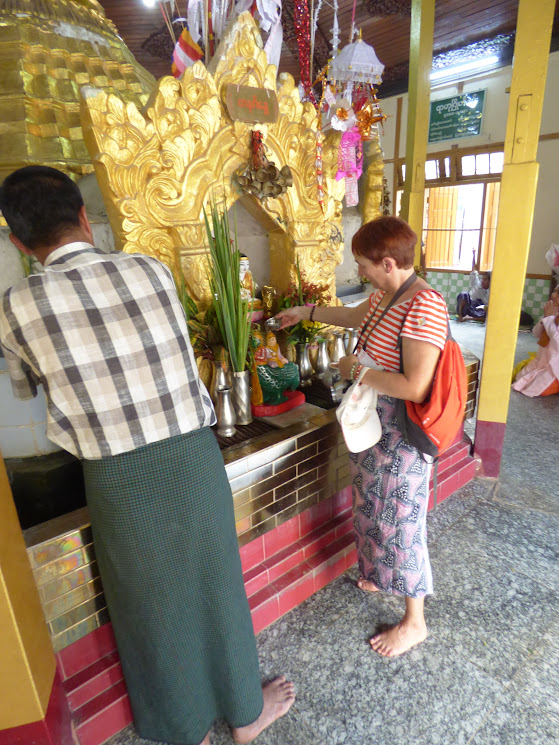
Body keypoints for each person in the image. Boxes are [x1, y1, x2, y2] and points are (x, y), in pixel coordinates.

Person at [0, 166, 294, 745]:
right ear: (85, 218)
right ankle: (243, 713)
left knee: (150, 606)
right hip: (190, 456)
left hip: (117, 476)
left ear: (16, 242)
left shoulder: (15, 306)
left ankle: (186, 729)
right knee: (218, 583)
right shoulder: (149, 269)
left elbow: (26, 389)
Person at [276, 216, 448, 658]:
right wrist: (306, 312)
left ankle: (415, 621)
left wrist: (360, 371)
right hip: (375, 425)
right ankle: (378, 571)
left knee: (404, 519)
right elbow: (352, 314)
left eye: (364, 266)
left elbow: (416, 386)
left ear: (388, 263)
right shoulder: (386, 296)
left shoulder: (423, 305)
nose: (361, 274)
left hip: (402, 429)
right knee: (372, 504)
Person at [512, 285, 559, 397]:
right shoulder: (552, 313)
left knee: (536, 389)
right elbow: (536, 333)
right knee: (519, 378)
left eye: (558, 294)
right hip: (541, 361)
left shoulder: (551, 316)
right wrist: (547, 318)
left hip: (555, 367)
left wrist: (549, 319)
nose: (553, 295)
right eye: (554, 291)